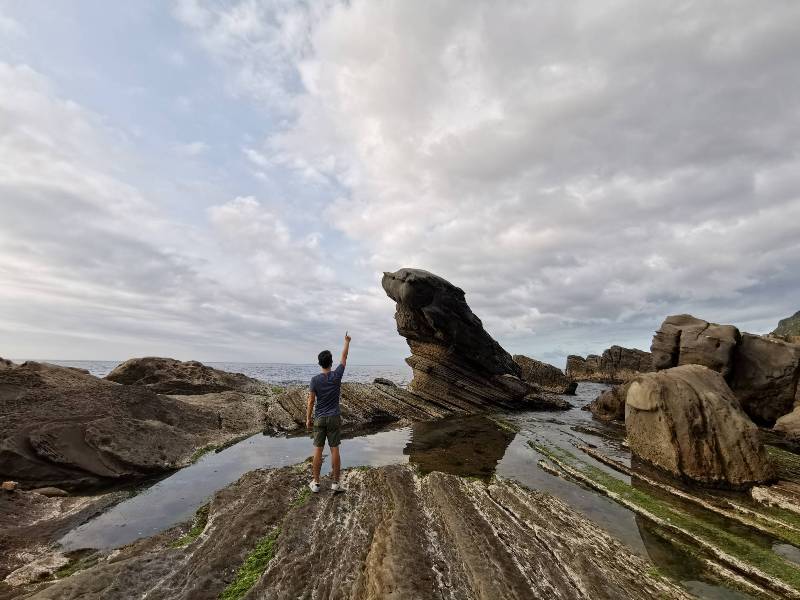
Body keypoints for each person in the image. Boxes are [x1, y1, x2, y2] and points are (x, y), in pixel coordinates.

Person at [306, 331, 351, 493]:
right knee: (334, 449)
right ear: (331, 362)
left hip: (319, 418)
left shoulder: (315, 380)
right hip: (334, 417)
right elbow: (344, 357)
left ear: (320, 363)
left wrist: (308, 418)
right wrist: (347, 341)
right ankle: (335, 483)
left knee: (318, 450)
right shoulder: (336, 375)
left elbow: (311, 401)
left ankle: (316, 483)